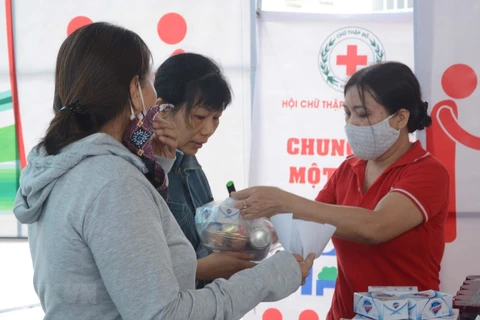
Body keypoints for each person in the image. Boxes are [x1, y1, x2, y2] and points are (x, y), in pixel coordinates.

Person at [13, 22, 315, 320]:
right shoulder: (113, 183)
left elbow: (108, 279)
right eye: (147, 81)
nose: (154, 95)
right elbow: (166, 314)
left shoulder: (63, 165)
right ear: (134, 91)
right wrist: (270, 276)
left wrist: (156, 169)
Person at [231, 62, 450, 320]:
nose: (352, 124)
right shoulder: (349, 169)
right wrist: (254, 233)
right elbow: (306, 228)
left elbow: (375, 227)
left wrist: (283, 200)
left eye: (362, 114)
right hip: (345, 314)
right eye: (347, 114)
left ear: (400, 118)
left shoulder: (427, 172)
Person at [153, 53, 255, 289]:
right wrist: (204, 268)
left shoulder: (192, 168)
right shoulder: (142, 173)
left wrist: (234, 230)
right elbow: (139, 271)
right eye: (199, 117)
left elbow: (205, 237)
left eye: (216, 118)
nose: (208, 130)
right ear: (162, 109)